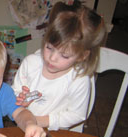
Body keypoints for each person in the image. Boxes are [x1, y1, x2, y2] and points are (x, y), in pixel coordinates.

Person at [12, 1, 106, 130]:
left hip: (55, 132)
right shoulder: (30, 63)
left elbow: (77, 115)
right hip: (23, 126)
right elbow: (15, 91)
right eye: (49, 47)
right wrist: (19, 98)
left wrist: (40, 121)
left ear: (81, 56)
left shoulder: (78, 80)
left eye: (64, 56)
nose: (52, 58)